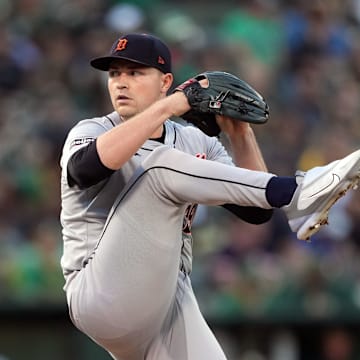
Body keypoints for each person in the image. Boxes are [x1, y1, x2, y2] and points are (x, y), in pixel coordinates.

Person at [59, 33, 360, 360]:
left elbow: (256, 211)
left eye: (135, 72)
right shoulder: (92, 131)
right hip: (101, 291)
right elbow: (84, 170)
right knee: (158, 166)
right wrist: (171, 105)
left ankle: (297, 198)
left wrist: (240, 133)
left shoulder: (194, 141)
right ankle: (299, 194)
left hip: (166, 299)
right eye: (115, 73)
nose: (121, 82)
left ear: (166, 81)